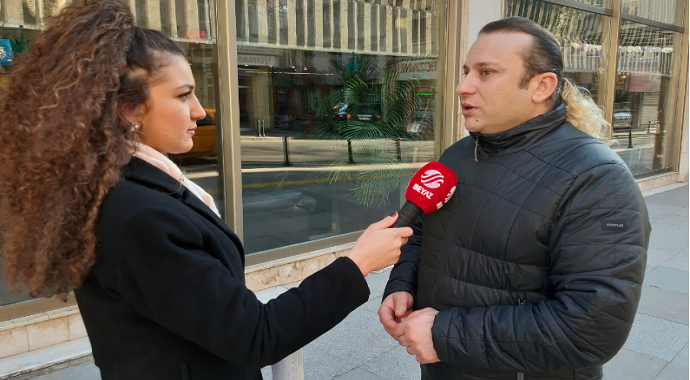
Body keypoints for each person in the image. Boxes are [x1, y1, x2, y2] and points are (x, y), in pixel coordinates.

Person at [0, 1, 412, 379]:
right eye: (183, 95)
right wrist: (358, 263)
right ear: (128, 109)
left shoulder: (128, 188)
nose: (200, 110)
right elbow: (256, 335)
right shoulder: (136, 214)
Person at [378, 17, 651, 380]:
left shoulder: (598, 181)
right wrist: (402, 285)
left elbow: (593, 328)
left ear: (541, 86)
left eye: (486, 72)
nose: (462, 87)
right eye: (466, 71)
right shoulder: (458, 155)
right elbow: (425, 231)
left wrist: (444, 334)